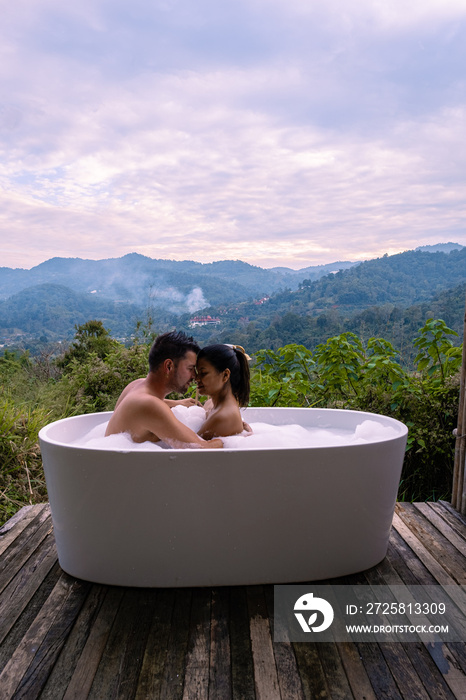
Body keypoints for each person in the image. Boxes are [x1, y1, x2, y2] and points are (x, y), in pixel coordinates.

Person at [105, 331, 223, 448]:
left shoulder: (135, 386)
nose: (195, 376)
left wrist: (176, 403)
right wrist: (232, 437)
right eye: (190, 368)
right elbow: (202, 449)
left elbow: (143, 407)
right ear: (169, 366)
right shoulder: (150, 405)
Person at [196, 344, 251, 439]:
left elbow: (189, 447)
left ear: (225, 375)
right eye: (197, 373)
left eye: (203, 373)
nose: (197, 379)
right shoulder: (213, 404)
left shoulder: (222, 417)